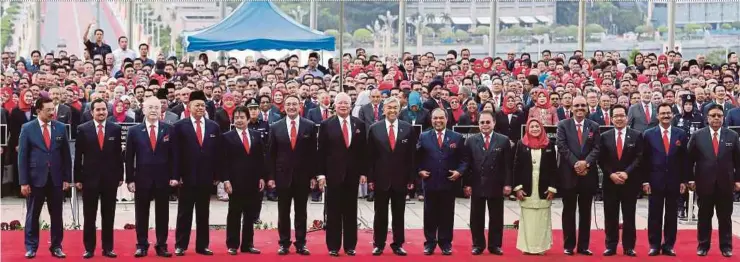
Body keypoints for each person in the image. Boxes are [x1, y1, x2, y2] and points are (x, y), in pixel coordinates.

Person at [18, 97, 72, 259]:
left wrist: (66, 178)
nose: (52, 113)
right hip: (35, 179)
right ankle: (31, 247)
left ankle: (56, 246)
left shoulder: (61, 128)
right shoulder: (27, 128)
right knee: (33, 214)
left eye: (53, 109)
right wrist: (24, 182)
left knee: (57, 214)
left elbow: (66, 156)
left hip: (56, 179)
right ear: (38, 111)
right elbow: (22, 156)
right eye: (48, 110)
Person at [316, 92, 367, 257]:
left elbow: (362, 151)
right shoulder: (326, 125)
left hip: (352, 175)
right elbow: (321, 151)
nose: (343, 106)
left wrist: (364, 172)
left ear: (351, 105)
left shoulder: (359, 124)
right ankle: (333, 246)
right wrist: (321, 174)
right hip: (333, 175)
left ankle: (350, 246)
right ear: (334, 105)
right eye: (340, 103)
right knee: (333, 213)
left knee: (351, 212)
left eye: (346, 103)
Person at [267, 94, 317, 256]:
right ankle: (284, 243)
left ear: (300, 105)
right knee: (283, 211)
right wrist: (271, 177)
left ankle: (301, 243)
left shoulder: (309, 126)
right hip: (282, 176)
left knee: (301, 212)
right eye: (288, 104)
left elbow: (312, 154)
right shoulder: (275, 126)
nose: (291, 107)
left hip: (303, 176)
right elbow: (271, 154)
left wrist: (313, 176)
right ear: (284, 107)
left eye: (294, 104)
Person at [125, 97, 176, 258]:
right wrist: (130, 179)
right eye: (150, 107)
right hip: (142, 178)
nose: (154, 110)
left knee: (162, 213)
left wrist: (175, 176)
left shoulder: (169, 129)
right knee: (141, 213)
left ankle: (161, 245)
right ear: (144, 110)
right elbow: (128, 157)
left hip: (163, 178)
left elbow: (175, 155)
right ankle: (142, 244)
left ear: (161, 110)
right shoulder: (134, 131)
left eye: (157, 107)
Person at [688, 104, 740, 257]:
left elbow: (738, 161)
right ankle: (703, 246)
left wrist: (738, 180)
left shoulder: (732, 135)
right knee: (704, 216)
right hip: (704, 183)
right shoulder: (698, 135)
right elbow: (689, 160)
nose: (716, 118)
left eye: (719, 115)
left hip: (725, 183)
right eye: (713, 115)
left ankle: (726, 247)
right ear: (707, 118)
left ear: (723, 118)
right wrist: (690, 179)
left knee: (725, 217)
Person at [367, 97, 417, 256]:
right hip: (381, 179)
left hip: (400, 179)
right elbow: (370, 156)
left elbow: (411, 156)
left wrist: (411, 178)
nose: (392, 111)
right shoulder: (374, 128)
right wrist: (371, 179)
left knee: (399, 213)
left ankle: (398, 243)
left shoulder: (408, 128)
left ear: (399, 109)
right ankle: (378, 244)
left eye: (395, 107)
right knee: (380, 213)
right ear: (384, 110)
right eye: (389, 108)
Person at [74, 98, 123, 258]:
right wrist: (78, 178)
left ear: (107, 111)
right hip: (89, 179)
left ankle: (108, 248)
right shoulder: (83, 129)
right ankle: (89, 248)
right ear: (91, 112)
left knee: (108, 215)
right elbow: (78, 156)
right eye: (98, 110)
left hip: (110, 179)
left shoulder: (115, 129)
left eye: (104, 109)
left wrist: (120, 176)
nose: (101, 112)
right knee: (90, 215)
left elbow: (118, 155)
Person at [174, 90, 221, 256]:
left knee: (203, 213)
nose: (200, 108)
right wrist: (176, 175)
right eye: (197, 105)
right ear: (189, 107)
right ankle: (180, 245)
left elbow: (217, 153)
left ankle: (202, 246)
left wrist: (217, 175)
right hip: (186, 177)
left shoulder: (213, 126)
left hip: (206, 177)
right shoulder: (179, 126)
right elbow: (175, 153)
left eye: (203, 105)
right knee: (184, 213)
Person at [416, 108, 467, 256]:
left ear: (446, 119)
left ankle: (445, 243)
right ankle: (430, 243)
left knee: (447, 214)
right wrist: (419, 171)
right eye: (435, 118)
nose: (438, 121)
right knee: (429, 213)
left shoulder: (457, 137)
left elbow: (464, 159)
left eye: (441, 118)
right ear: (431, 120)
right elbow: (416, 157)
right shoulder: (424, 136)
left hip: (448, 182)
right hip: (430, 181)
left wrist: (459, 171)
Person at [463, 109, 512, 256]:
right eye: (482, 122)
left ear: (494, 123)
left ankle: (495, 245)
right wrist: (467, 184)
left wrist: (508, 184)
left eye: (487, 122)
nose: (485, 125)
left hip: (496, 183)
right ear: (478, 124)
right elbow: (467, 165)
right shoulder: (471, 140)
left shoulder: (503, 140)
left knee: (496, 216)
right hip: (477, 183)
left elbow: (508, 165)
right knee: (476, 216)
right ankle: (478, 244)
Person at [643, 102, 689, 256]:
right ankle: (654, 245)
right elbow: (645, 160)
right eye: (662, 113)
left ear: (672, 114)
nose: (666, 116)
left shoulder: (680, 134)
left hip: (674, 181)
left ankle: (669, 245)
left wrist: (684, 180)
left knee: (671, 215)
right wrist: (645, 181)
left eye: (668, 113)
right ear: (657, 116)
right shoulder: (648, 134)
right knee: (654, 215)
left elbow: (685, 160)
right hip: (655, 180)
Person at [556, 96, 600, 256]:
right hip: (569, 174)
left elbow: (597, 148)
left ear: (587, 108)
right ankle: (568, 245)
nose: (580, 108)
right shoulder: (563, 125)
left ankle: (583, 246)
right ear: (571, 108)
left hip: (587, 175)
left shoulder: (594, 126)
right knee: (568, 211)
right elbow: (562, 146)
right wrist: (576, 163)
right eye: (576, 106)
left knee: (585, 212)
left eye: (583, 105)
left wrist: (585, 163)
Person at [597, 104, 643, 257]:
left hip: (629, 182)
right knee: (611, 215)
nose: (619, 118)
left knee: (629, 215)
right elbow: (601, 160)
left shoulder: (637, 135)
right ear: (611, 118)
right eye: (616, 116)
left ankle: (629, 247)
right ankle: (611, 245)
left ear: (627, 117)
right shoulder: (604, 136)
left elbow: (639, 158)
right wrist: (611, 174)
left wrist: (626, 173)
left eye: (621, 115)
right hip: (610, 182)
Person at [221, 106, 264, 255]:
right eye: (236, 117)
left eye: (242, 117)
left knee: (250, 214)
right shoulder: (226, 137)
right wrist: (225, 180)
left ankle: (248, 244)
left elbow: (260, 159)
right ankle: (232, 244)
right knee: (234, 213)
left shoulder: (256, 136)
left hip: (252, 181)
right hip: (235, 182)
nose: (239, 120)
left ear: (248, 119)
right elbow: (223, 161)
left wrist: (261, 177)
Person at [513, 118, 558, 255]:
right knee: (528, 218)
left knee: (542, 218)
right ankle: (527, 247)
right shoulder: (521, 144)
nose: (534, 129)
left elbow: (553, 168)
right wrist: (518, 188)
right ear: (527, 129)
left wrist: (552, 188)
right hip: (527, 187)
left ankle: (540, 247)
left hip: (543, 187)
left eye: (537, 126)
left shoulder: (549, 144)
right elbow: (516, 167)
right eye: (532, 127)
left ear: (541, 128)